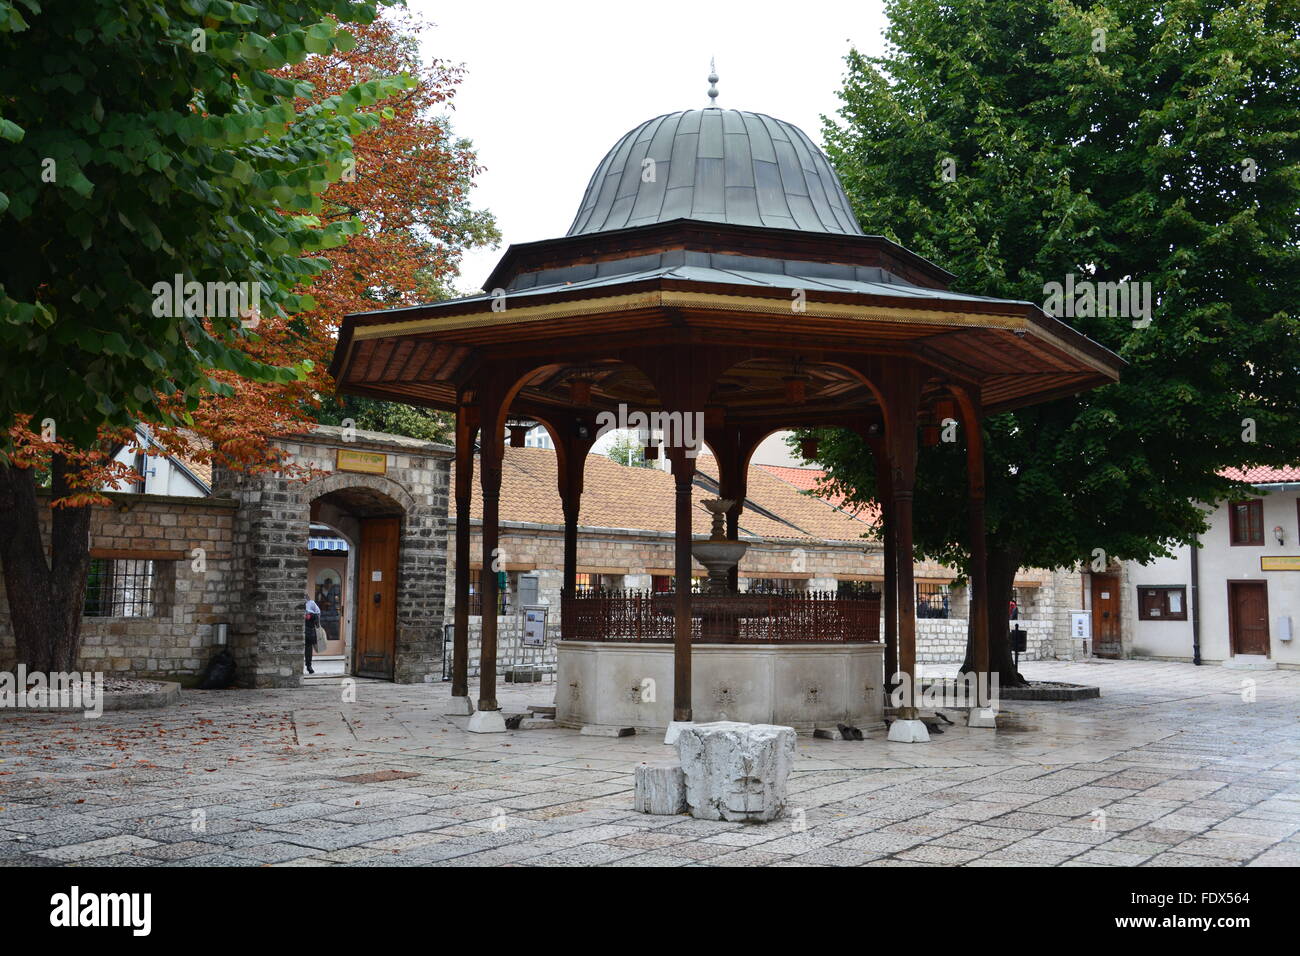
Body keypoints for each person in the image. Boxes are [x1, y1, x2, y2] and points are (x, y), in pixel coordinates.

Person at [304, 593, 321, 674]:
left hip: (309, 627)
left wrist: (311, 616)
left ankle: (309, 665)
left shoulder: (311, 603)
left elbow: (318, 613)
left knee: (308, 647)